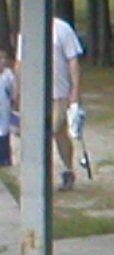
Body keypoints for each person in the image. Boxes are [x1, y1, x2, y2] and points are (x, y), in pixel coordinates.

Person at [16, 12, 83, 188]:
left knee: (56, 130)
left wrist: (74, 90)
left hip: (59, 93)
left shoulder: (62, 29)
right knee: (39, 133)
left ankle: (68, 169)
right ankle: (39, 173)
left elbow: (73, 60)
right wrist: (18, 89)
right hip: (35, 94)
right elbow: (20, 62)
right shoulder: (27, 31)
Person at [0, 47, 15, 167]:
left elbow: (13, 91)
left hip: (4, 112)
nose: (2, 61)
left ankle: (5, 160)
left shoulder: (8, 75)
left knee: (4, 135)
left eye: (4, 58)